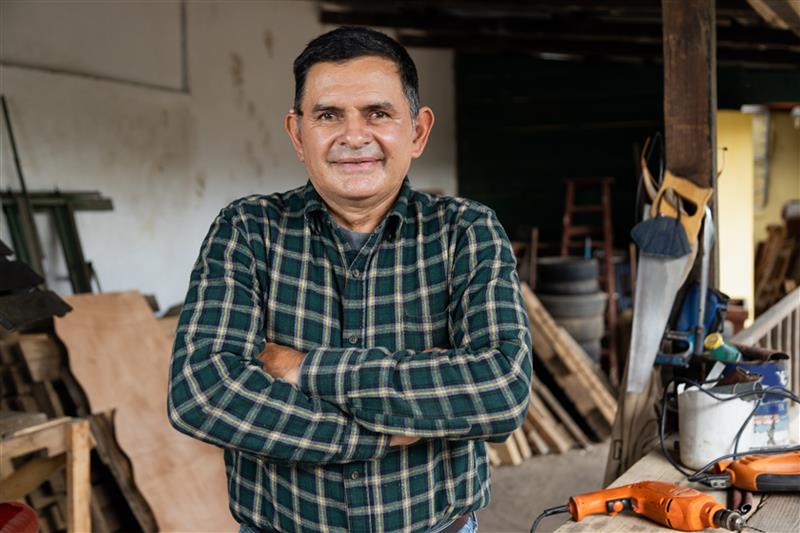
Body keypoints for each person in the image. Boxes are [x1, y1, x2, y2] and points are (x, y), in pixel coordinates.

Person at [168, 26, 532, 533]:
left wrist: (302, 369)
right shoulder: (248, 230)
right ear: (298, 134)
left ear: (418, 132)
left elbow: (500, 390)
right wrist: (380, 431)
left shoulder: (466, 230)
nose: (354, 136)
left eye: (378, 113)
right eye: (328, 115)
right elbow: (201, 393)